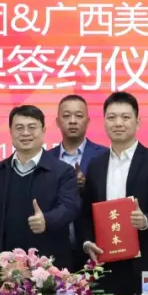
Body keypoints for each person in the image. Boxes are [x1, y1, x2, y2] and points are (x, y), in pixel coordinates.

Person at [78, 91, 148, 295]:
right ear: (104, 122)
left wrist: (145, 220)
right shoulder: (95, 165)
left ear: (137, 122)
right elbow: (86, 212)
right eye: (111, 117)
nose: (118, 123)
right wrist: (87, 242)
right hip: (106, 261)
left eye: (125, 117)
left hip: (146, 259)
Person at [0, 105, 80, 268]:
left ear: (43, 131)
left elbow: (70, 207)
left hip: (49, 267)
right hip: (5, 267)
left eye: (32, 127)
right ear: (10, 131)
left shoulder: (62, 171)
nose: (25, 133)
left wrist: (47, 220)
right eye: (19, 128)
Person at [47, 95, 109, 252]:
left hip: (96, 245)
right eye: (67, 116)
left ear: (88, 121)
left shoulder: (105, 156)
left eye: (79, 116)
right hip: (55, 247)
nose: (73, 121)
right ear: (57, 122)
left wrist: (89, 186)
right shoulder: (46, 159)